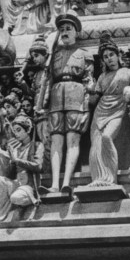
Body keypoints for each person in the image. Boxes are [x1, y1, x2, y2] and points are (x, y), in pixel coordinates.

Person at [35, 12, 90, 196]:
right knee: (57, 141)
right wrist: (42, 106)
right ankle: (55, 184)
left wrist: (87, 107)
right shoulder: (53, 56)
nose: (65, 32)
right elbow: (47, 82)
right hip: (57, 99)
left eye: (69, 28)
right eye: (62, 29)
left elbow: (89, 81)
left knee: (72, 140)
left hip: (76, 97)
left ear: (77, 32)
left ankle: (67, 182)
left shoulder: (84, 54)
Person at [85, 33, 130, 188]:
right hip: (100, 111)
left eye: (111, 54)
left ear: (118, 55)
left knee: (106, 138)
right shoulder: (103, 77)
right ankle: (98, 179)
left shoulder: (129, 73)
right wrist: (90, 90)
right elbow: (93, 101)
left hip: (117, 110)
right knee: (96, 144)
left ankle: (110, 178)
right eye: (105, 56)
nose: (109, 58)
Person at [0, 114, 43, 221]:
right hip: (15, 184)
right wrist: (5, 160)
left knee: (16, 198)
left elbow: (38, 166)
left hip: (29, 186)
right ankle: (0, 212)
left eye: (19, 130)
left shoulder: (37, 145)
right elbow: (9, 174)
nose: (16, 134)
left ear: (28, 129)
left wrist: (17, 160)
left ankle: (18, 205)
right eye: (15, 131)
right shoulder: (16, 149)